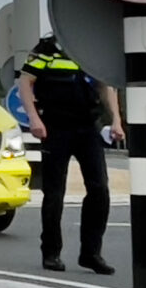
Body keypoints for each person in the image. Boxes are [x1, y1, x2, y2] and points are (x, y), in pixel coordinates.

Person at [17, 34, 122, 274]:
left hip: (87, 126)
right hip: (55, 126)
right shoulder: (47, 49)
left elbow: (105, 85)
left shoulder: (90, 48)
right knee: (54, 193)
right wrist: (34, 118)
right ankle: (51, 252)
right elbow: (25, 82)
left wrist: (116, 120)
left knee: (100, 189)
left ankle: (91, 253)